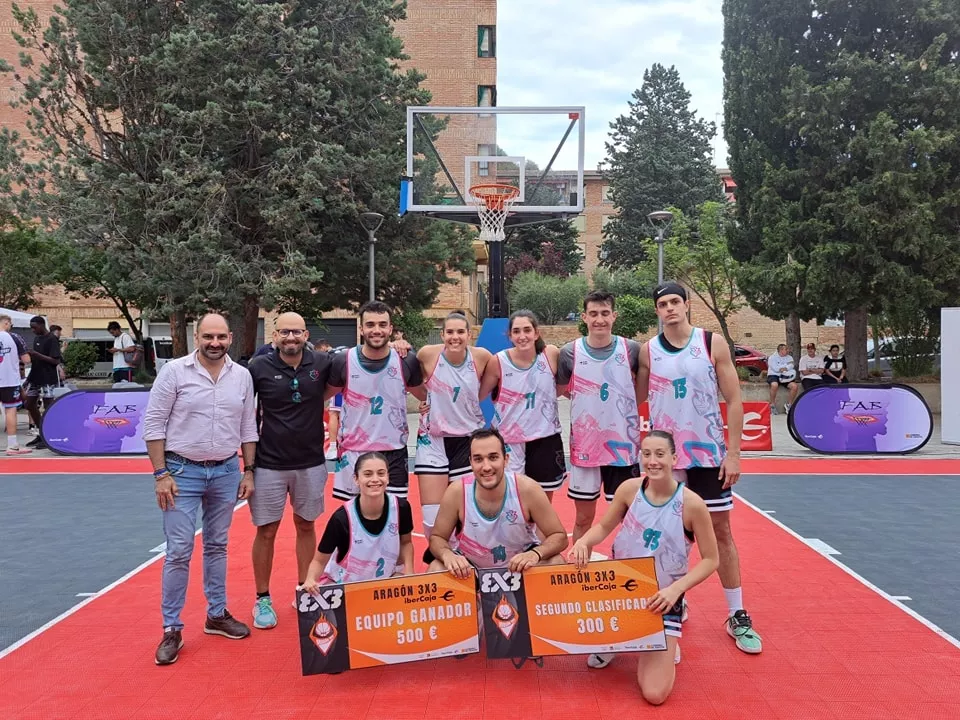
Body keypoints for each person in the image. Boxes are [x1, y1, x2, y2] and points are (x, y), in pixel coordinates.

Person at [637, 282, 762, 654]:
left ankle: (736, 613)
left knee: (720, 531)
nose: (670, 308)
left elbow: (735, 399)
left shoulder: (711, 343)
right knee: (668, 535)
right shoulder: (648, 352)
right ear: (657, 311)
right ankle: (673, 600)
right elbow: (636, 397)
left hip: (708, 453)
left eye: (676, 301)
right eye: (663, 304)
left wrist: (735, 453)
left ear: (687, 305)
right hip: (665, 459)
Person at [143, 313, 258, 666]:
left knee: (217, 546)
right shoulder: (174, 372)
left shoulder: (241, 376)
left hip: (225, 471)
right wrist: (160, 473)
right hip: (180, 472)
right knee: (178, 550)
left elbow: (248, 426)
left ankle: (216, 614)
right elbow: (153, 424)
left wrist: (248, 470)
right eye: (208, 336)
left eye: (221, 337)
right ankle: (172, 628)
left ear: (230, 338)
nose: (215, 343)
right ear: (197, 337)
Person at [571, 431, 720, 704]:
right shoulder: (629, 489)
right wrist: (583, 541)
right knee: (574, 578)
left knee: (654, 694)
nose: (653, 461)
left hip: (661, 597)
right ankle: (617, 641)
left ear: (674, 458)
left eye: (660, 454)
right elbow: (604, 527)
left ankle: (665, 634)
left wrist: (676, 590)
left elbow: (712, 559)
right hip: (621, 591)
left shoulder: (692, 505)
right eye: (647, 454)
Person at [246, 312, 332, 630]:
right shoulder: (258, 368)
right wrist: (248, 464)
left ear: (306, 334)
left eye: (296, 332)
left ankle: (304, 590)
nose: (291, 337)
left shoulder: (323, 363)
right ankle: (262, 597)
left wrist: (401, 347)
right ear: (275, 336)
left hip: (311, 462)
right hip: (269, 463)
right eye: (285, 332)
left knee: (306, 525)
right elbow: (242, 411)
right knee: (266, 530)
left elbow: (361, 362)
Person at [556, 291, 642, 544]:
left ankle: (634, 569)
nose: (599, 320)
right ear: (584, 317)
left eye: (605, 313)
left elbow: (640, 391)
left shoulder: (632, 350)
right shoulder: (570, 352)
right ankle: (580, 572)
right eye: (593, 314)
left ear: (614, 316)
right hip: (586, 448)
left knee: (631, 517)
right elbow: (560, 390)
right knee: (583, 519)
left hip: (623, 449)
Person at [428, 428, 568, 575]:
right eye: (478, 459)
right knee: (436, 568)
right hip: (470, 571)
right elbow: (437, 538)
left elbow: (559, 536)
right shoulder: (457, 492)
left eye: (493, 457)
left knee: (556, 562)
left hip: (520, 569)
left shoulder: (527, 489)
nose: (486, 467)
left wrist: (535, 554)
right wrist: (447, 555)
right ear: (470, 462)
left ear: (506, 459)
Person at [327, 301, 423, 501]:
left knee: (395, 517)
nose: (376, 330)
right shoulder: (342, 361)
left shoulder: (407, 360)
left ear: (390, 328)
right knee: (353, 520)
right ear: (361, 329)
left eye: (382, 324)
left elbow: (427, 395)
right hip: (354, 452)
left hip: (394, 452)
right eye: (370, 325)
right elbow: (320, 397)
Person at [414, 312, 492, 542]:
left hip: (467, 440)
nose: (455, 337)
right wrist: (424, 400)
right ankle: (441, 560)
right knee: (432, 519)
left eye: (460, 332)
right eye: (450, 332)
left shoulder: (482, 358)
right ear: (442, 334)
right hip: (433, 441)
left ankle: (466, 559)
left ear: (470, 335)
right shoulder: (427, 354)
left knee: (469, 513)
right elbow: (411, 380)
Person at [479, 309, 565, 501]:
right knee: (509, 500)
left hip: (545, 437)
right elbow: (477, 395)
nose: (522, 336)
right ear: (509, 335)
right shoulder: (498, 361)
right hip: (509, 440)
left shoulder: (551, 355)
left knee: (542, 503)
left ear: (536, 333)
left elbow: (561, 389)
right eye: (516, 331)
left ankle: (539, 533)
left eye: (527, 330)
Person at [301, 452, 414, 590]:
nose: (375, 479)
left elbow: (406, 542)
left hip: (385, 582)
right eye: (367, 474)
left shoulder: (401, 508)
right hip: (345, 585)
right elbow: (319, 561)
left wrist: (409, 572)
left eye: (381, 473)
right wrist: (310, 579)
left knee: (410, 593)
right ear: (356, 479)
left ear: (388, 477)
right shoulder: (341, 518)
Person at [23, 316, 62, 449]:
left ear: (41, 324)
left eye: (34, 327)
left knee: (48, 406)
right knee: (28, 403)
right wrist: (28, 378)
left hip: (48, 378)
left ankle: (48, 435)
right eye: (31, 328)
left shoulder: (52, 339)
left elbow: (55, 361)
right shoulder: (37, 338)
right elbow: (35, 360)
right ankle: (41, 432)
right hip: (36, 376)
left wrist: (37, 355)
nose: (33, 330)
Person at [0, 314, 32, 455]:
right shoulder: (14, 337)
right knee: (10, 410)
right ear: (6, 323)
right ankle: (12, 446)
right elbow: (26, 359)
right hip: (8, 379)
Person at [766, 343, 798, 413]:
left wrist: (785, 368)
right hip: (774, 375)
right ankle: (772, 405)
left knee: (794, 386)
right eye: (786, 349)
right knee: (774, 385)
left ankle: (789, 405)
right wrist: (785, 367)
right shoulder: (772, 358)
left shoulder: (789, 357)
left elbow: (792, 365)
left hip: (785, 376)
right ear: (781, 350)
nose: (788, 350)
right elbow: (775, 369)